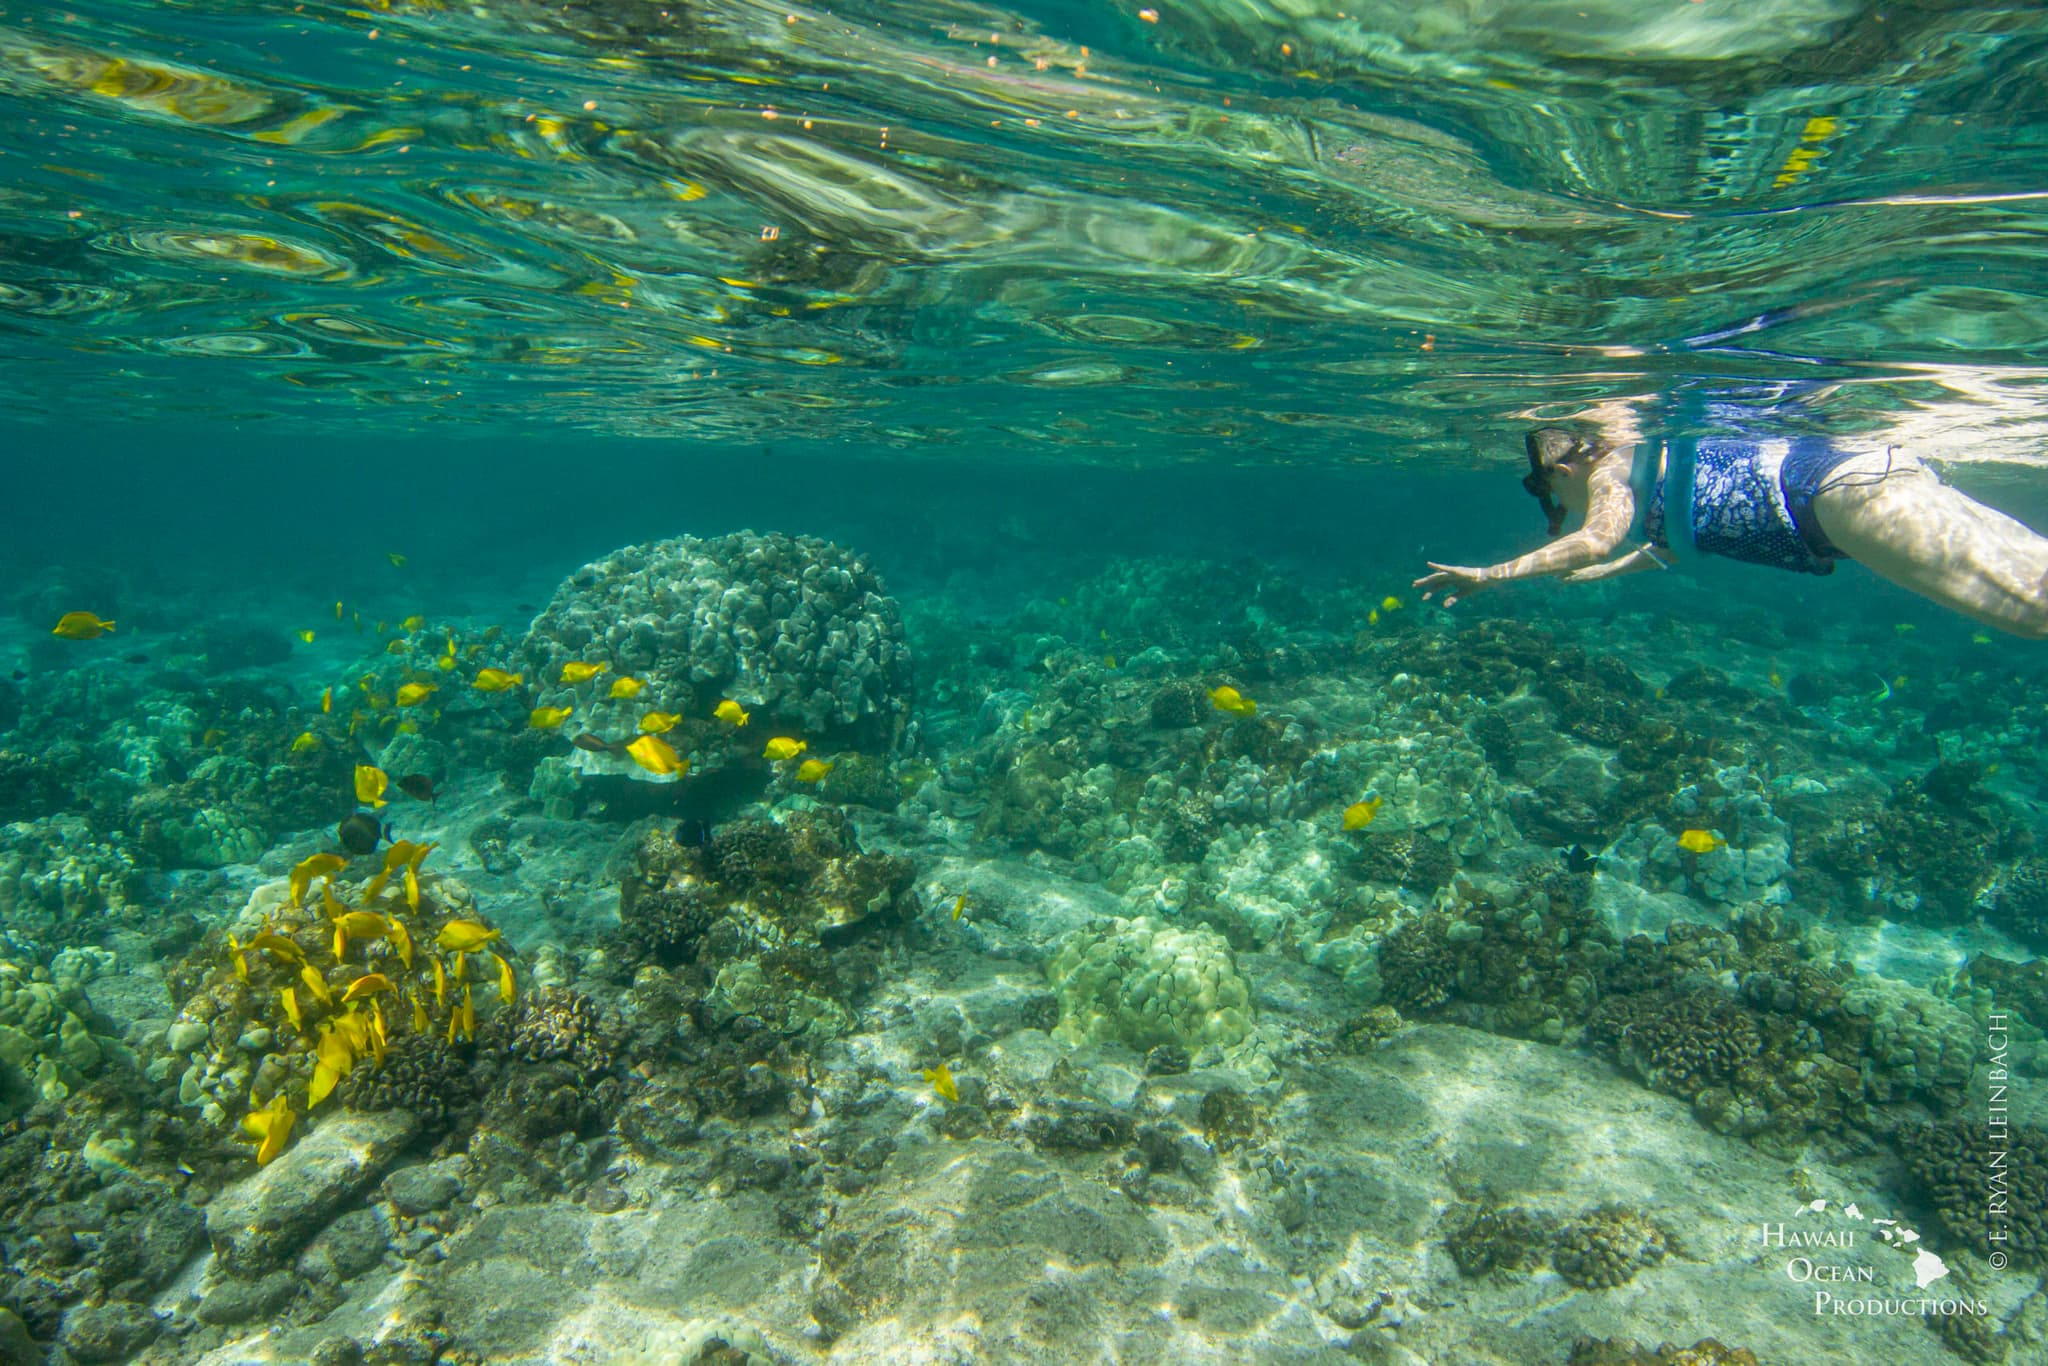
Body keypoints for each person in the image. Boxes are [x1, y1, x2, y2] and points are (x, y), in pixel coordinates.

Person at [1414, 406, 2048, 638]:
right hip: (1856, 483)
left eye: (1537, 484)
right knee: (2036, 577)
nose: (1545, 497)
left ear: (1559, 471)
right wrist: (1616, 569)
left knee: (2028, 610)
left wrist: (1491, 574)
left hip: (1837, 501)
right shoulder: (1652, 471)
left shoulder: (1610, 473)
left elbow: (1595, 535)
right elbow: (1684, 538)